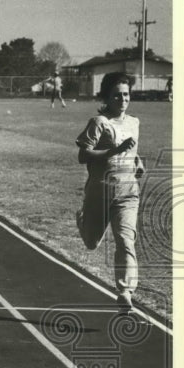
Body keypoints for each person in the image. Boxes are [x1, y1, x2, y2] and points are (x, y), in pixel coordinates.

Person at [75, 72, 144, 313]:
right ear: (107, 97)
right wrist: (112, 152)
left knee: (126, 240)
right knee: (92, 242)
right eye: (117, 95)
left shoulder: (134, 122)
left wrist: (137, 162)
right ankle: (83, 221)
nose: (123, 99)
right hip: (100, 191)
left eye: (126, 94)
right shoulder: (99, 123)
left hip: (127, 192)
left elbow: (131, 151)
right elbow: (83, 155)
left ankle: (125, 291)